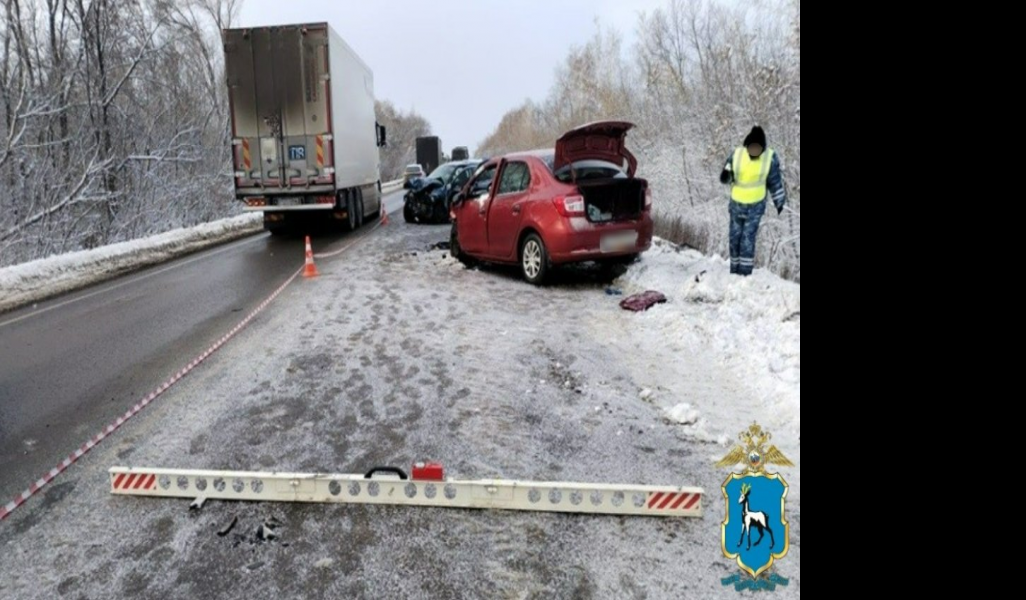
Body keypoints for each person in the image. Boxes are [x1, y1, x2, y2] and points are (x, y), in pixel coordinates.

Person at [719, 126, 787, 276]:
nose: (754, 150)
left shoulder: (769, 158)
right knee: (734, 239)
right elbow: (728, 171)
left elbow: (775, 181)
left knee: (747, 240)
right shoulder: (737, 154)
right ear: (747, 145)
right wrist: (725, 175)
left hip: (755, 206)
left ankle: (744, 274)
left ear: (763, 148)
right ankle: (734, 272)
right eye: (752, 147)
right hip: (736, 205)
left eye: (758, 148)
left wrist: (779, 201)